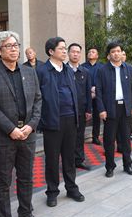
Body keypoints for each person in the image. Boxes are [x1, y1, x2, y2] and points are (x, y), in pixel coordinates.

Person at [0, 31, 47, 217]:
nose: (15, 49)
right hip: (2, 137)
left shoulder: (29, 71)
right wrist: (11, 129)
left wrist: (31, 125)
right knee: (2, 182)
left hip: (27, 133)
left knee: (26, 178)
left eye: (16, 45)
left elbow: (38, 100)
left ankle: (26, 214)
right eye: (9, 46)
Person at [37, 37, 85, 207]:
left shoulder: (68, 70)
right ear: (51, 51)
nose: (65, 51)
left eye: (65, 49)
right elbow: (38, 98)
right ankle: (52, 192)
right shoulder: (42, 71)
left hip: (71, 119)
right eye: (62, 49)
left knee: (69, 157)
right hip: (52, 121)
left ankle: (71, 188)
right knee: (51, 159)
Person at [95, 42, 132, 178]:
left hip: (125, 108)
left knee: (126, 139)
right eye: (113, 51)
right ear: (109, 55)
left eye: (118, 51)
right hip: (110, 109)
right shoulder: (102, 70)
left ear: (121, 53)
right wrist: (101, 109)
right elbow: (99, 91)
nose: (116, 53)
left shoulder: (129, 69)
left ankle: (128, 164)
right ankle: (110, 166)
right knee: (109, 140)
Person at [67, 43, 92, 171]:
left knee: (79, 136)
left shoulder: (85, 72)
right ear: (68, 53)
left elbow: (88, 92)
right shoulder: (63, 70)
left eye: (78, 52)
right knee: (68, 138)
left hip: (81, 111)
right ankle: (68, 162)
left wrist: (89, 109)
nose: (75, 54)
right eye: (73, 51)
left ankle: (79, 160)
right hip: (68, 111)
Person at [81, 46, 103, 145]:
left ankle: (95, 137)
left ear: (97, 56)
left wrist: (96, 90)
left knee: (97, 117)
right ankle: (80, 137)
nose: (90, 53)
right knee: (84, 115)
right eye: (89, 51)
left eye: (93, 52)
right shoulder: (82, 66)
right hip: (86, 94)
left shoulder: (101, 67)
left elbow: (103, 81)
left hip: (97, 95)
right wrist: (89, 90)